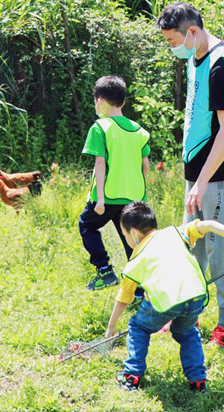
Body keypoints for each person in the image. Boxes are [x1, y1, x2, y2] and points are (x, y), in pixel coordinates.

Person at [157, 1, 224, 346]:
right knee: (191, 244)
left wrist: (201, 182)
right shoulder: (197, 58)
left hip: (221, 170)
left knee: (220, 244)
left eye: (172, 40)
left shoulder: (222, 65)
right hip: (199, 166)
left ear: (192, 32)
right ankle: (188, 317)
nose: (172, 47)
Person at [106, 201, 224, 392]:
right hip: (196, 298)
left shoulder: (135, 262)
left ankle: (132, 374)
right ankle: (198, 381)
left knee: (138, 327)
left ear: (133, 232)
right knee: (187, 332)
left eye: (124, 235)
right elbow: (209, 225)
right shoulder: (175, 233)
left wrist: (112, 326)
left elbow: (124, 298)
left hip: (165, 304)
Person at [78, 75, 151, 291]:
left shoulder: (100, 127)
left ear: (99, 101)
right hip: (134, 198)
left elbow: (100, 164)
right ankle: (138, 290)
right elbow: (145, 165)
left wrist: (99, 198)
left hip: (108, 196)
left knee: (87, 224)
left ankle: (104, 270)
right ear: (123, 102)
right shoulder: (139, 130)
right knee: (131, 241)